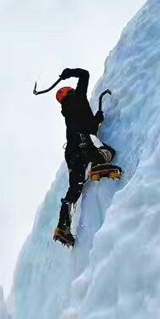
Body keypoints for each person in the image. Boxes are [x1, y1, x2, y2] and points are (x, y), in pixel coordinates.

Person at [54, 67, 116, 245]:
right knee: (107, 153)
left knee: (75, 189)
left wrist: (97, 119)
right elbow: (85, 74)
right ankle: (98, 164)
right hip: (84, 143)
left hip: (72, 154)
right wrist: (69, 72)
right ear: (70, 92)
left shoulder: (70, 112)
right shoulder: (77, 98)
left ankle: (63, 226)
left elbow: (86, 124)